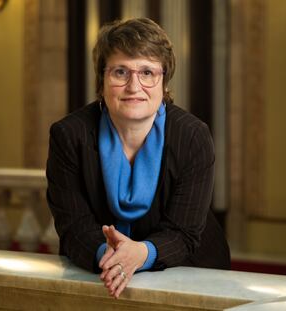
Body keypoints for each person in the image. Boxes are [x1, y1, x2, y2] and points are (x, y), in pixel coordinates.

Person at [46, 17, 230, 299]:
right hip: (101, 274)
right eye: (120, 72)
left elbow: (184, 232)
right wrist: (108, 255)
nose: (134, 86)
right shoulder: (69, 135)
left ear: (163, 79)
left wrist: (141, 253)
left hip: (190, 274)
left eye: (147, 72)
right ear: (102, 78)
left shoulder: (193, 136)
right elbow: (73, 225)